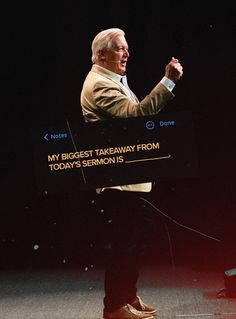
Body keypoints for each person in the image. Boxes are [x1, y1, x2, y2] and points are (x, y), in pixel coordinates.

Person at [80, 28, 183, 319]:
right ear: (101, 55)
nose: (127, 53)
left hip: (130, 182)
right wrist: (168, 82)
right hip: (118, 185)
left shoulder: (111, 80)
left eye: (126, 48)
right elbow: (137, 118)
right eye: (119, 49)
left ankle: (127, 298)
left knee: (133, 246)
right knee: (124, 248)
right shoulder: (99, 84)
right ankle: (115, 307)